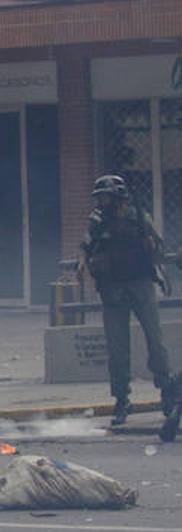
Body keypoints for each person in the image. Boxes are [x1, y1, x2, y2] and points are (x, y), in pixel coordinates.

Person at [80, 174, 180, 426]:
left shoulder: (139, 218)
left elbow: (157, 247)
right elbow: (86, 247)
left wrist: (150, 245)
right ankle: (122, 399)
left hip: (141, 286)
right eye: (99, 197)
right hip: (113, 290)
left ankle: (167, 391)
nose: (102, 202)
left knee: (155, 342)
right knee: (117, 349)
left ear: (117, 197)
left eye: (106, 197)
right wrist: (84, 261)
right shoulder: (97, 222)